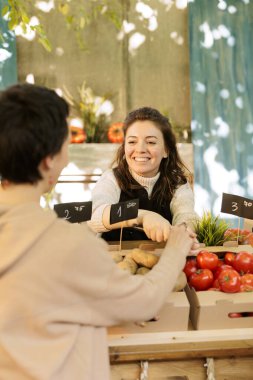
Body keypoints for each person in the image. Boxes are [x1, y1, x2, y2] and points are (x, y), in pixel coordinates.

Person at [0, 84, 198, 380]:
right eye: (66, 146)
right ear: (48, 160)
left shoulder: (176, 182)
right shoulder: (70, 245)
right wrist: (174, 248)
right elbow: (144, 301)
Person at [89, 106, 199, 242]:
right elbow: (96, 214)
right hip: (113, 259)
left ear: (166, 150)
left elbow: (186, 214)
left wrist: (184, 232)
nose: (140, 149)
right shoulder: (112, 179)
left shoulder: (177, 183)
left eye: (151, 142)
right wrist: (142, 216)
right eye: (132, 142)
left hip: (162, 258)